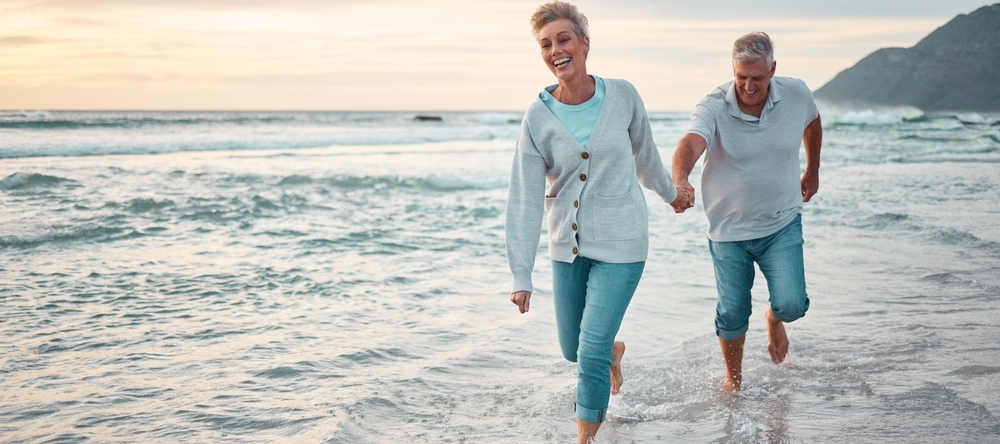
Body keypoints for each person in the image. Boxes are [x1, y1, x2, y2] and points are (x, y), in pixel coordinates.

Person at [505, 2, 688, 442]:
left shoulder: (623, 95)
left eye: (563, 39)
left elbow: (647, 160)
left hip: (623, 243)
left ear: (585, 44)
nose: (555, 50)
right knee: (575, 349)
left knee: (586, 354)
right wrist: (521, 273)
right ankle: (613, 352)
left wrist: (673, 196)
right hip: (567, 249)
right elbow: (525, 197)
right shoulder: (538, 117)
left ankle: (584, 437)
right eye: (545, 45)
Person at [670, 32, 822, 393]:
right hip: (728, 231)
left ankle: (775, 318)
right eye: (741, 77)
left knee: (792, 305)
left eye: (757, 77)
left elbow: (812, 123)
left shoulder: (796, 93)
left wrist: (812, 169)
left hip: (781, 223)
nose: (748, 86)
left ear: (773, 69)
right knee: (733, 313)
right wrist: (680, 178)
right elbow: (691, 143)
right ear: (733, 71)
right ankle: (734, 381)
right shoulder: (713, 105)